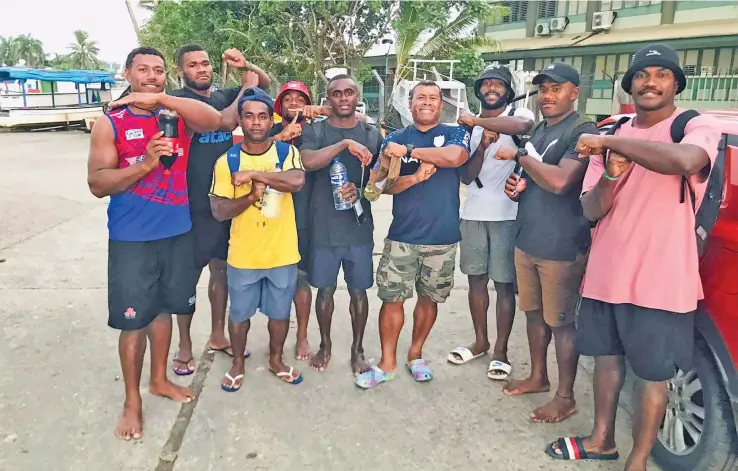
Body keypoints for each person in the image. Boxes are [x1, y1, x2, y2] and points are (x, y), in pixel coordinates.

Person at [546, 44, 722, 470]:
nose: (650, 82)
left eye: (662, 74)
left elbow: (685, 161)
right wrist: (610, 173)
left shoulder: (693, 125)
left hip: (661, 280)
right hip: (607, 274)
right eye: (642, 75)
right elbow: (590, 209)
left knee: (654, 374)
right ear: (630, 85)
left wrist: (609, 142)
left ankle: (638, 461)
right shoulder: (616, 128)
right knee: (606, 361)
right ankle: (601, 440)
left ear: (676, 84)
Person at [86, 47, 222, 441]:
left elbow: (214, 119)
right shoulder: (110, 123)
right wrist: (144, 164)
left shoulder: (176, 114)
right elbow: (97, 184)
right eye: (142, 70)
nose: (151, 76)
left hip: (177, 233)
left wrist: (162, 99)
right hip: (133, 239)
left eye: (158, 71)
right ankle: (132, 401)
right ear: (127, 74)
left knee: (165, 310)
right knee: (134, 321)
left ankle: (159, 379)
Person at [494, 62, 597, 423]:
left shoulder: (582, 130)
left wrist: (520, 157)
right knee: (534, 314)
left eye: (556, 88)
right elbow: (533, 179)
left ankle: (565, 397)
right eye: (542, 89)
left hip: (561, 244)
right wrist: (517, 187)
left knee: (562, 322)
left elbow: (560, 182)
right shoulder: (539, 129)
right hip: (529, 238)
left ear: (574, 92)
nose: (547, 96)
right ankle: (538, 377)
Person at [355, 80, 471, 389]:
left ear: (440, 103)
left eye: (433, 98)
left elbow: (456, 158)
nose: (427, 102)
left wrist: (409, 152)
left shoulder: (454, 133)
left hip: (442, 238)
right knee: (392, 300)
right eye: (421, 97)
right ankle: (387, 362)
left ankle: (416, 354)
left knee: (429, 300)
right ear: (411, 102)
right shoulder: (394, 137)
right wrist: (416, 177)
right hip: (402, 236)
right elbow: (382, 186)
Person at [168, 44, 271, 375]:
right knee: (187, 277)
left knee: (221, 271)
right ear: (181, 72)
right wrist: (244, 86)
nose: (202, 69)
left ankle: (216, 335)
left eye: (206, 63)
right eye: (193, 65)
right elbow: (222, 124)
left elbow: (264, 84)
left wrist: (247, 63)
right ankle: (184, 345)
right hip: (190, 204)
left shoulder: (224, 94)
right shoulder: (179, 101)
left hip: (224, 202)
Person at [210, 88, 306, 392]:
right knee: (239, 314)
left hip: (282, 251)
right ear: (240, 120)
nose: (256, 123)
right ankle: (238, 362)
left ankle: (276, 360)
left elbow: (296, 181)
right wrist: (250, 197)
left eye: (262, 117)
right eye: (249, 116)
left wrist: (254, 176)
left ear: (270, 120)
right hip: (244, 254)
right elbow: (219, 210)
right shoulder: (227, 161)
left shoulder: (286, 153)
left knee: (280, 313)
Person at [450, 65, 535, 381]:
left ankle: (501, 352)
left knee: (503, 285)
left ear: (508, 89)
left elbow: (523, 125)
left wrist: (479, 122)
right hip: (473, 212)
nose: (491, 87)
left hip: (507, 216)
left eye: (497, 83)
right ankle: (480, 342)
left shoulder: (518, 112)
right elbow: (466, 175)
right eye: (485, 83)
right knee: (475, 281)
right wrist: (483, 143)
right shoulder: (471, 129)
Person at [299, 74, 381, 375]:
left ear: (357, 95)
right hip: (323, 226)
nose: (343, 98)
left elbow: (381, 179)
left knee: (359, 292)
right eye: (336, 94)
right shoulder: (316, 131)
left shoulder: (372, 133)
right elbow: (307, 161)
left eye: (349, 93)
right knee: (325, 291)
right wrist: (345, 143)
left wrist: (361, 192)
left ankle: (357, 350)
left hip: (358, 228)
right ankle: (325, 345)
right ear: (328, 98)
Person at [268, 80, 314, 361]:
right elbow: (249, 155)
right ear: (279, 105)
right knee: (273, 284)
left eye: (300, 98)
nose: (294, 103)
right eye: (288, 99)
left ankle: (302, 336)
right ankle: (276, 343)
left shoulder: (318, 132)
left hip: (304, 218)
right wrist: (282, 137)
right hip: (270, 218)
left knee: (301, 281)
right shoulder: (269, 131)